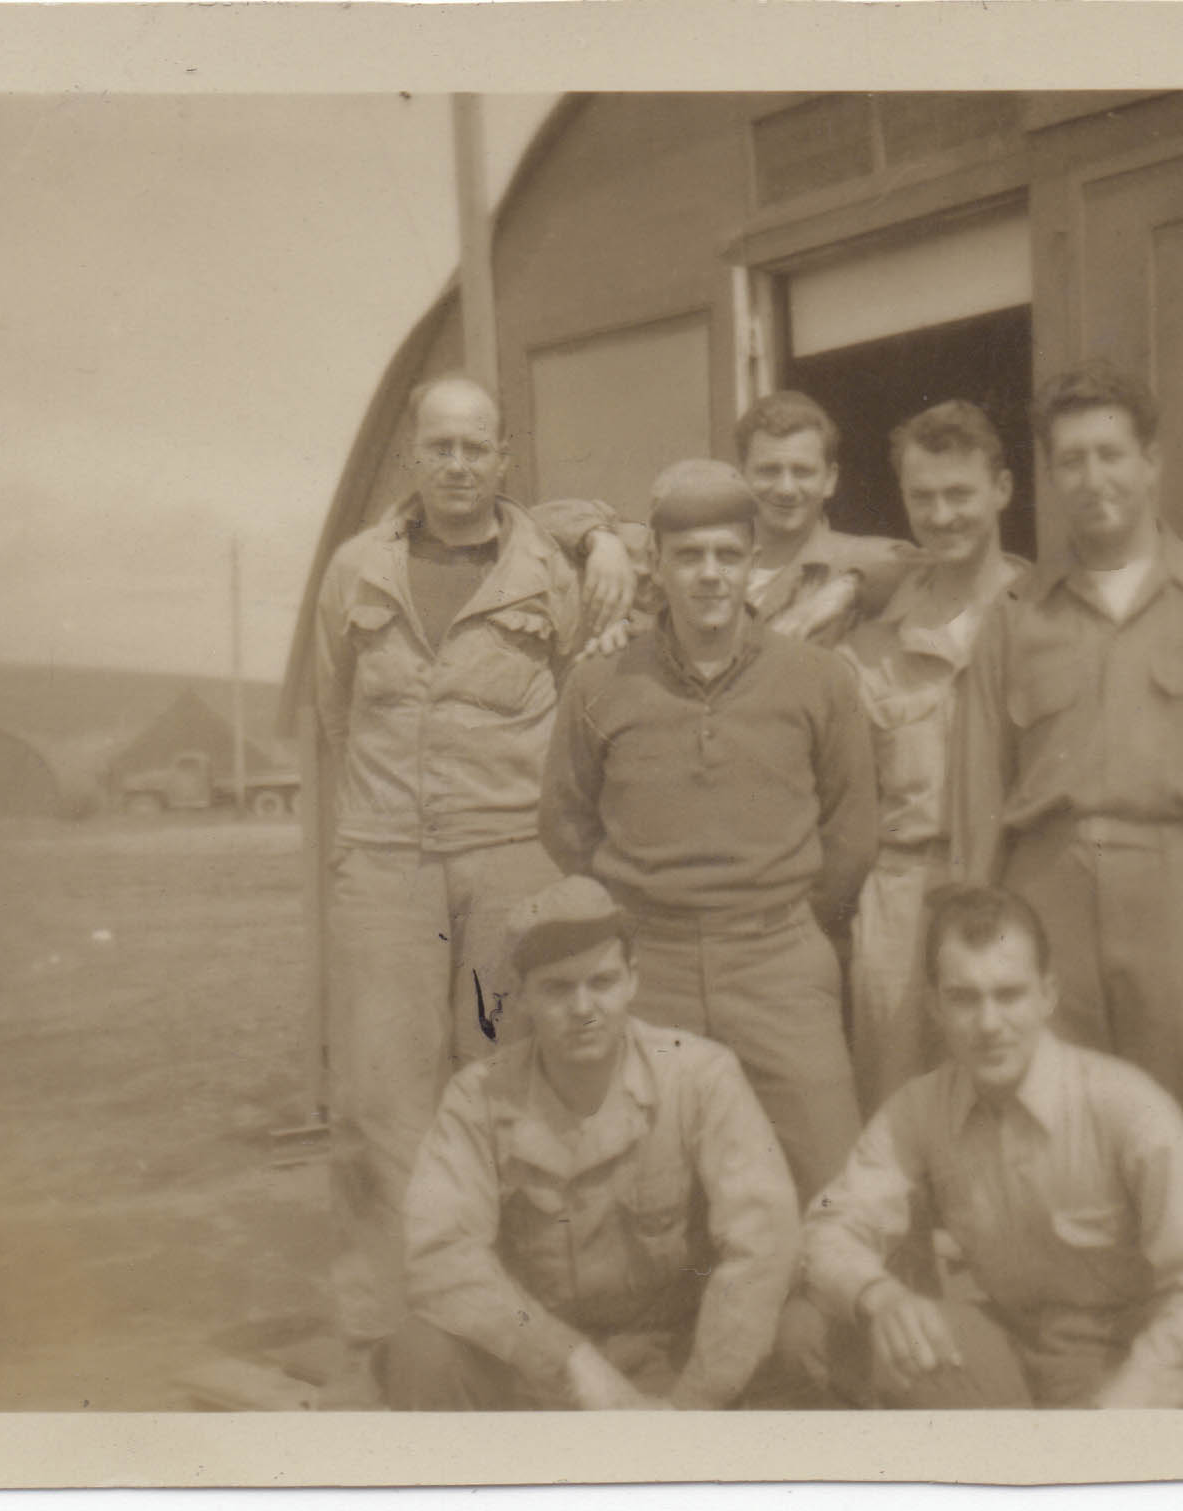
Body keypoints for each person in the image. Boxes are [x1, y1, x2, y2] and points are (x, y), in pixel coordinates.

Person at [951, 360, 1183, 1387]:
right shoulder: (1013, 618)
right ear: (1048, 476)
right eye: (1067, 459)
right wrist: (972, 946)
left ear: (1151, 462)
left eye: (1109, 452)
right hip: (1047, 906)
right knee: (1063, 1161)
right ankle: (1086, 1425)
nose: (1089, 477)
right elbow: (979, 805)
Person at [309, 373, 637, 1399]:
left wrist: (612, 531)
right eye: (439, 446)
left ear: (504, 460)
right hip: (387, 867)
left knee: (503, 1072)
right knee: (378, 1099)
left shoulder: (551, 561)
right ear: (414, 454)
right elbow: (334, 710)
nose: (457, 465)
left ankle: (521, 1311)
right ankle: (405, 1330)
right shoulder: (356, 570)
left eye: (476, 448)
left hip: (507, 866)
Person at [541, 459, 878, 1201]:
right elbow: (565, 820)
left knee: (838, 1183)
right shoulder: (601, 683)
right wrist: (634, 913)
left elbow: (851, 831)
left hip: (778, 960)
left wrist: (780, 919)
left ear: (752, 562)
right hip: (649, 962)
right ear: (655, 566)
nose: (709, 574)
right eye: (689, 556)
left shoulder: (818, 679)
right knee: (640, 1185)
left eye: (728, 554)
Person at [787, 884, 1183, 1408]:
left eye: (1009, 995)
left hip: (1120, 1364)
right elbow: (827, 1222)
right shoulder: (920, 1107)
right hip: (1007, 1347)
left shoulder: (1127, 1106)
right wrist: (881, 1296)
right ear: (934, 1005)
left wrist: (1116, 1417)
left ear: (1048, 995)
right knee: (813, 1334)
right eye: (964, 998)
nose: (989, 1025)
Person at [379, 876, 800, 1411]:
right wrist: (569, 1359)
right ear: (524, 996)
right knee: (423, 1350)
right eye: (557, 987)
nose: (583, 1007)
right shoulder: (479, 1099)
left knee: (799, 1333)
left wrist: (694, 1403)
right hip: (541, 1367)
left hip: (674, 1357)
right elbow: (439, 1257)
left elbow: (764, 1237)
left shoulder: (700, 1076)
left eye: (602, 982)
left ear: (633, 981)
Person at [838, 400, 1030, 1116]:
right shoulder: (867, 642)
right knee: (897, 1103)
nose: (942, 514)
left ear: (1002, 490)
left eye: (960, 494)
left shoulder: (1046, 614)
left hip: (1015, 876)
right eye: (922, 497)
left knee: (1013, 1099)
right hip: (901, 892)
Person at [734, 390, 915, 646]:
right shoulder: (716, 565)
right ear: (741, 476)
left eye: (802, 471)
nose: (786, 488)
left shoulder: (853, 560)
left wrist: (847, 588)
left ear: (830, 480)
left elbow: (925, 566)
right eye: (769, 470)